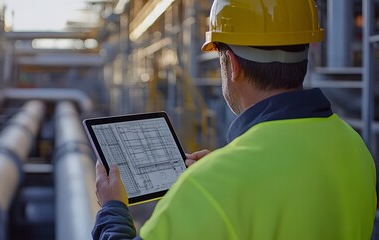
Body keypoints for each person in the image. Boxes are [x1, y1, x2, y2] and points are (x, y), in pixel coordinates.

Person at [92, 0, 377, 239]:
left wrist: (113, 209)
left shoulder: (208, 187)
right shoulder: (354, 146)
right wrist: (223, 170)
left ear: (233, 65)